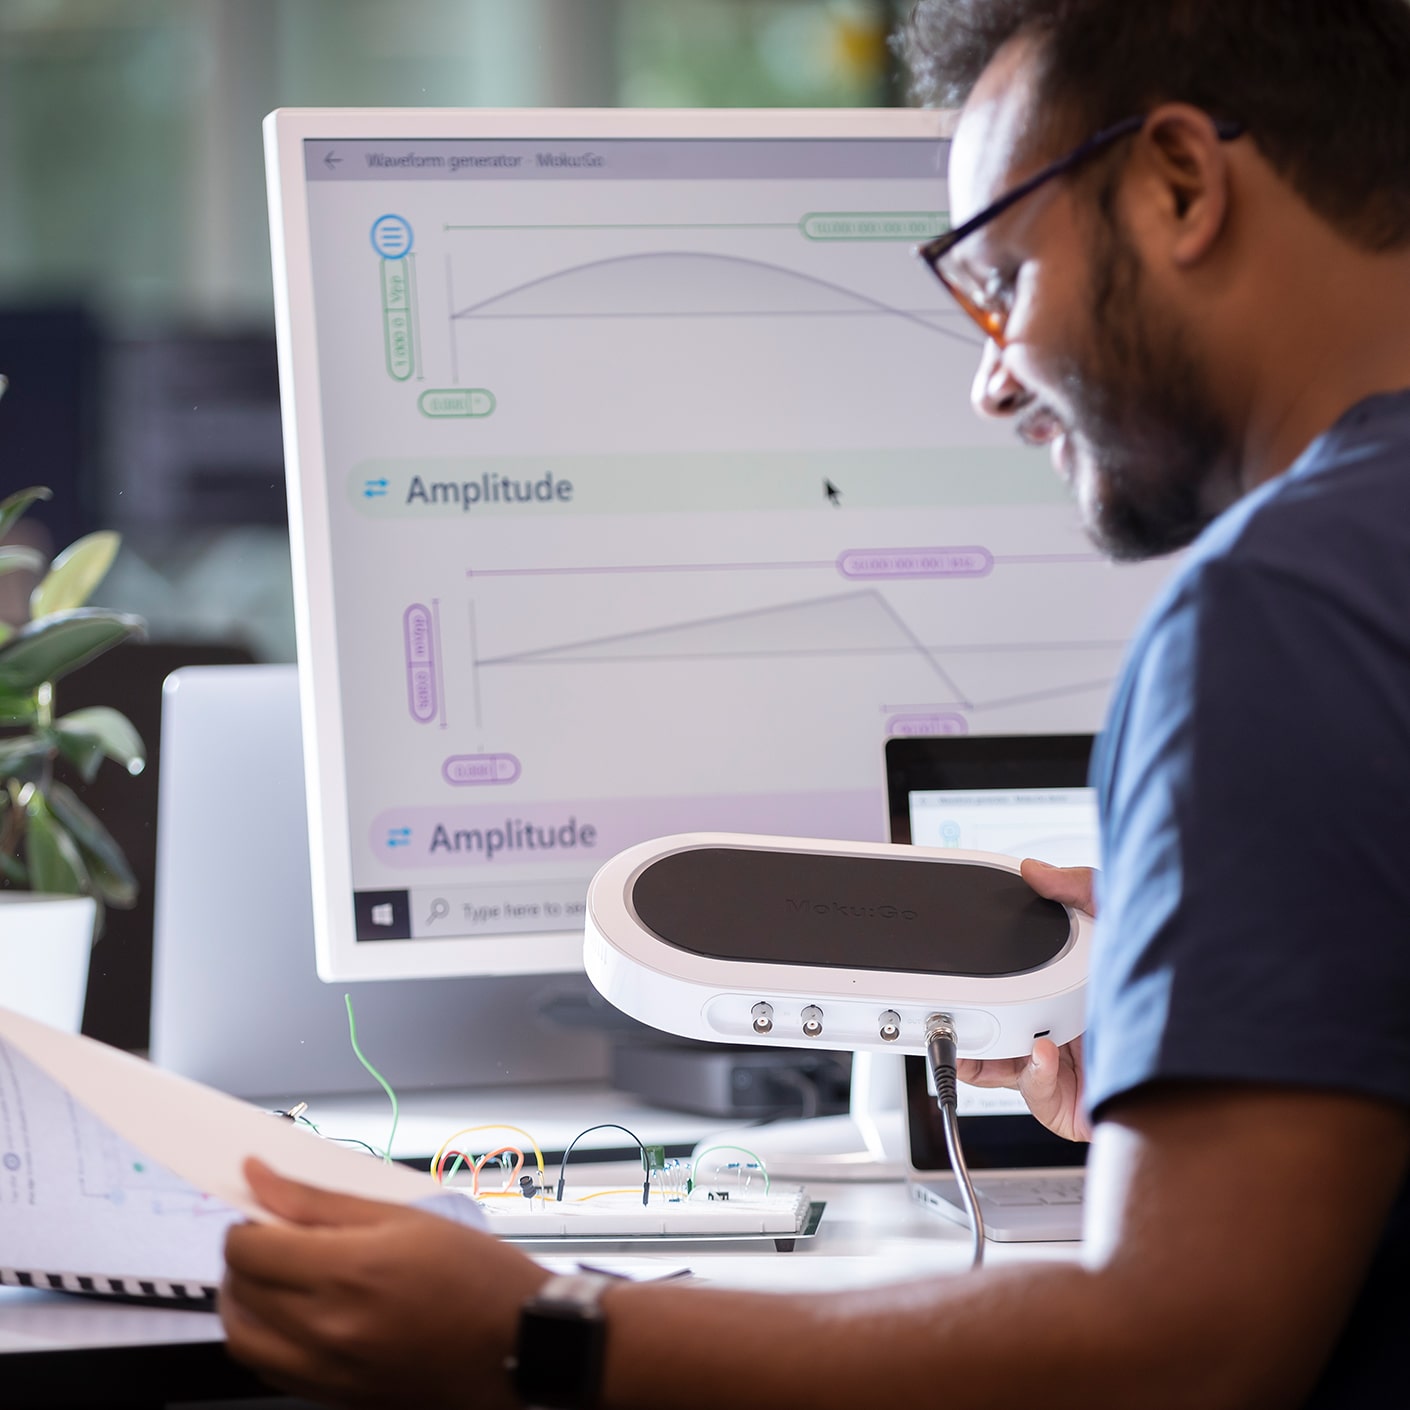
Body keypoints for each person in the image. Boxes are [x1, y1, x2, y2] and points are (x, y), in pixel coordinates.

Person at [220, 3, 1410, 1405]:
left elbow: (1178, 1353)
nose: (987, 383)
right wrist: (1254, 993)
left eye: (1000, 282)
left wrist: (541, 1327)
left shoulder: (1274, 613)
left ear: (1175, 184)